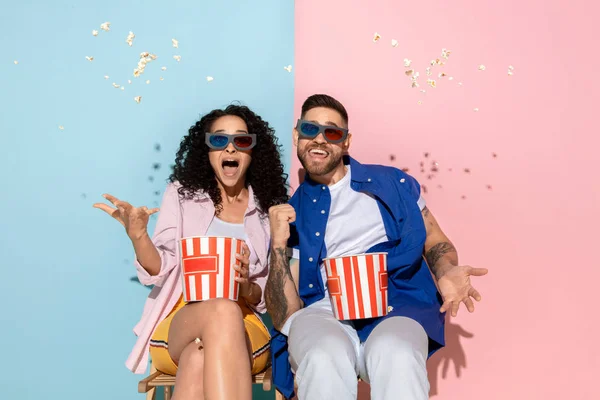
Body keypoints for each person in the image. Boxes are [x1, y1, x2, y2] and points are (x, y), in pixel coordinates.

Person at [265, 94, 488, 400]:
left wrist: (447, 270)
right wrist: (277, 246)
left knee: (396, 353)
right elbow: (284, 316)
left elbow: (435, 240)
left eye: (332, 133)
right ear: (296, 134)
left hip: (396, 303)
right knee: (321, 355)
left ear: (346, 142)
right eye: (309, 129)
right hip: (325, 310)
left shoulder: (392, 183)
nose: (319, 139)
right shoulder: (293, 210)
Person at [93, 104, 289, 400]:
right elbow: (160, 269)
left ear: (252, 151)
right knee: (221, 309)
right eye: (219, 140)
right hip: (180, 317)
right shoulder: (182, 195)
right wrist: (139, 237)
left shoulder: (265, 211)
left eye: (242, 141)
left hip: (244, 320)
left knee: (198, 356)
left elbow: (262, 297)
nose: (231, 149)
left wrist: (246, 284)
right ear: (207, 149)